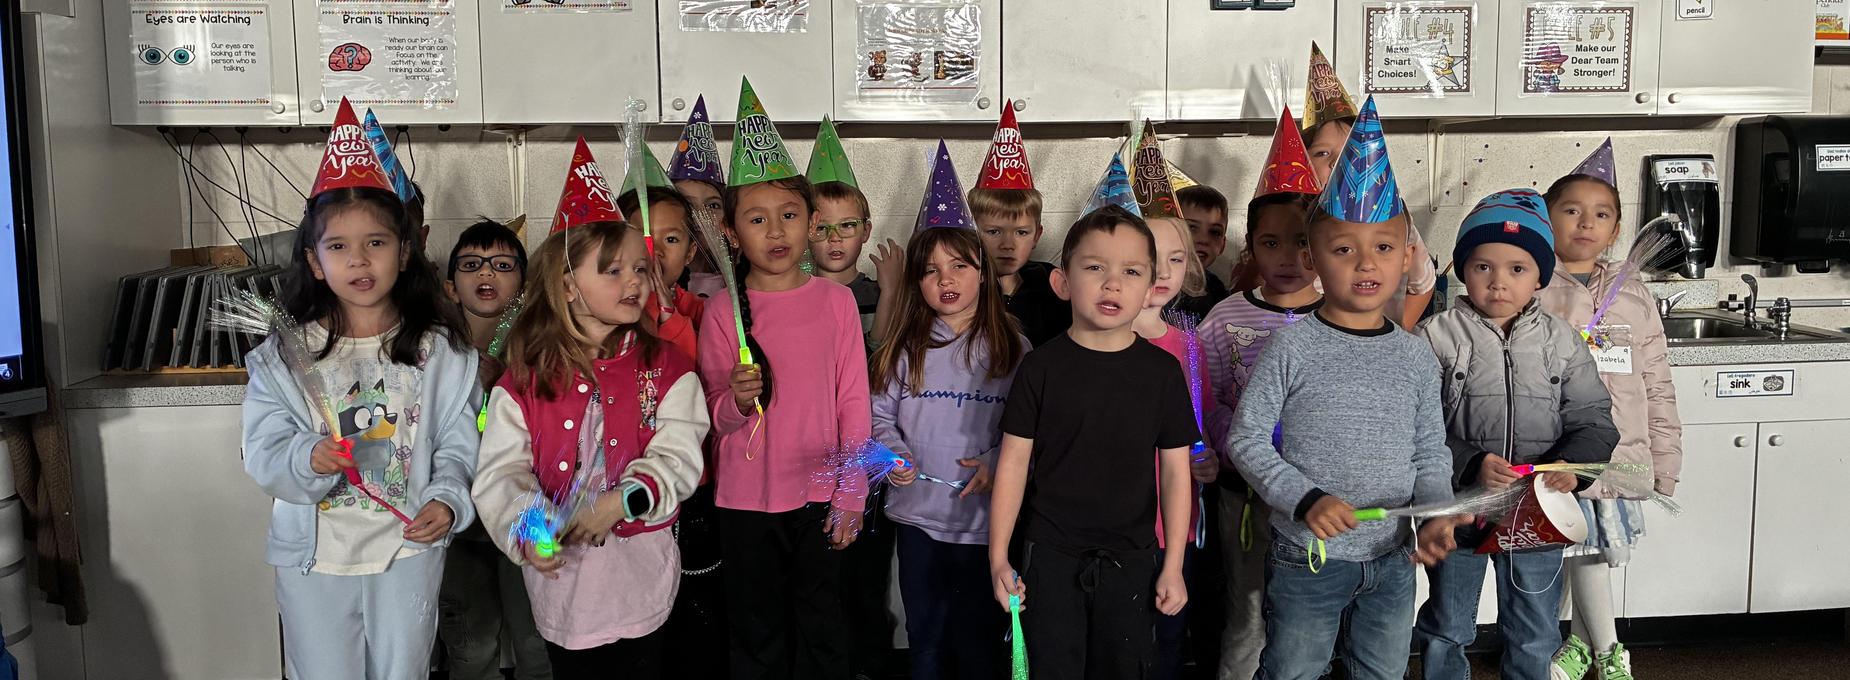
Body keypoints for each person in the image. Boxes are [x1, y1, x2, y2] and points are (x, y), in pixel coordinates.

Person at [1225, 98, 1465, 680]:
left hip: (1392, 559)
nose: (1366, 263)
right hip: (1307, 557)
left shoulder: (1415, 354)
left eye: (1384, 247)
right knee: (1294, 670)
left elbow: (1430, 452)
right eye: (1343, 249)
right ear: (1313, 259)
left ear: (1407, 257)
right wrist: (1305, 498)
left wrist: (1435, 515)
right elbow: (1246, 439)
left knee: (1380, 671)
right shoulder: (1292, 347)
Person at [241, 99, 479, 679]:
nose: (359, 260)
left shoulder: (441, 354)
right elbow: (263, 449)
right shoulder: (284, 357)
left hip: (407, 550)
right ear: (314, 261)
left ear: (405, 250)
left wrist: (447, 498)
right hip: (316, 561)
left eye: (376, 242)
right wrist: (308, 455)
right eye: (338, 246)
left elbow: (458, 443)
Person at [472, 212, 709, 676]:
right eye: (613, 270)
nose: (635, 281)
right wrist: (531, 529)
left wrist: (621, 502)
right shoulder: (523, 379)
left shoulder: (668, 367)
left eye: (640, 268)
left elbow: (680, 455)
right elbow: (502, 471)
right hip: (566, 591)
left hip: (641, 581)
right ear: (567, 286)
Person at [697, 77, 872, 680]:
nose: (775, 232)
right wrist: (736, 402)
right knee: (756, 631)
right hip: (744, 501)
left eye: (789, 216)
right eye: (757, 219)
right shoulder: (723, 310)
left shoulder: (835, 303)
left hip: (821, 493)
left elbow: (854, 404)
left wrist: (852, 492)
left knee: (822, 627)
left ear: (811, 222)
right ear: (731, 232)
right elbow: (712, 415)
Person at [1413, 188, 1620, 680]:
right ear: (1463, 270)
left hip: (1537, 511)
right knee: (1447, 625)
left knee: (1534, 628)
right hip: (1460, 508)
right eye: (1483, 266)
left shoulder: (1561, 340)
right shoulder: (1433, 337)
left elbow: (1594, 417)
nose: (1499, 281)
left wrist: (1573, 467)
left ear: (1539, 277)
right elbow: (1415, 426)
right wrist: (1470, 462)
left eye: (1517, 269)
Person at [988, 205, 1198, 680]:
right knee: (1050, 667)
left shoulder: (1162, 373)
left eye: (1131, 271)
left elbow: (1174, 472)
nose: (1112, 284)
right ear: (1062, 282)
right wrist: (998, 557)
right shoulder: (1040, 368)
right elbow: (1013, 463)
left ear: (1151, 287)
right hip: (1050, 554)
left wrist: (1173, 564)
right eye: (1095, 267)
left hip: (1133, 557)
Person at [1538, 140, 1683, 680]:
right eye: (1571, 210)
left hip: (1621, 452)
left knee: (1592, 554)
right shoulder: (1531, 287)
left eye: (1602, 214)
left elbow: (1657, 383)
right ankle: (1611, 654)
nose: (1586, 223)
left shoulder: (1633, 294)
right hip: (1561, 453)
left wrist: (1665, 461)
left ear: (1617, 228)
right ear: (1545, 218)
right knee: (1586, 554)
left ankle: (1581, 648)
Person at [1200, 106, 1324, 680]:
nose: (1289, 259)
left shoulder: (1340, 317)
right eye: (1271, 243)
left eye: (1303, 242)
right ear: (1251, 245)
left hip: (1319, 495)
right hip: (1244, 494)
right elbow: (1205, 399)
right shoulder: (1226, 318)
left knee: (1307, 617)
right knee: (1246, 612)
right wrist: (1237, 446)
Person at [872, 224, 1027, 680]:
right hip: (918, 521)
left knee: (978, 642)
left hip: (985, 527)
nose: (945, 279)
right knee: (926, 639)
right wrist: (893, 454)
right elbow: (878, 417)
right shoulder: (905, 346)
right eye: (930, 270)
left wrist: (997, 462)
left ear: (983, 273)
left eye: (959, 265)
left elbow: (1031, 433)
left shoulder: (1014, 348)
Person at [438, 217, 552, 680]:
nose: (486, 273)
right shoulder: (434, 353)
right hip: (460, 520)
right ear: (450, 287)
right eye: (471, 265)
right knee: (471, 643)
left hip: (529, 507)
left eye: (502, 265)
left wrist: (503, 381)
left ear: (524, 285)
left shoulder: (543, 349)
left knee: (536, 639)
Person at [806, 117, 898, 680]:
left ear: (865, 231)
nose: (835, 239)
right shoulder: (792, 297)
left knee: (866, 574)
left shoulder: (877, 294)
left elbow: (880, 368)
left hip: (869, 456)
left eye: (847, 226)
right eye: (822, 228)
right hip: (813, 457)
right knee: (820, 575)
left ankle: (870, 662)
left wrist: (890, 293)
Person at [1302, 41, 1436, 328]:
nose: (1337, 164)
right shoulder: (1292, 218)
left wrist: (1400, 331)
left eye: (1347, 154)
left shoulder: (1393, 219)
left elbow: (1423, 283)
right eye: (1322, 153)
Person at [968, 101, 1071, 346]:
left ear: (1037, 235)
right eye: (994, 231)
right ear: (972, 232)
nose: (1008, 244)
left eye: (1022, 232)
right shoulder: (963, 287)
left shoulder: (1051, 286)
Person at [617, 181, 704, 362]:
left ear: (690, 253)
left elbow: (691, 368)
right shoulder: (605, 304)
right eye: (641, 237)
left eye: (671, 239)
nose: (655, 251)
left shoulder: (699, 311)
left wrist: (670, 316)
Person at [667, 94, 730, 300]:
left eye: (713, 206)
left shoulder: (743, 283)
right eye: (688, 205)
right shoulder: (659, 283)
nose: (700, 214)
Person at [1176, 184, 1233, 318]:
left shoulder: (1217, 290)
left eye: (1214, 232)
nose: (1204, 239)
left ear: (1223, 245)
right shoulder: (1152, 287)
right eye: (1191, 228)